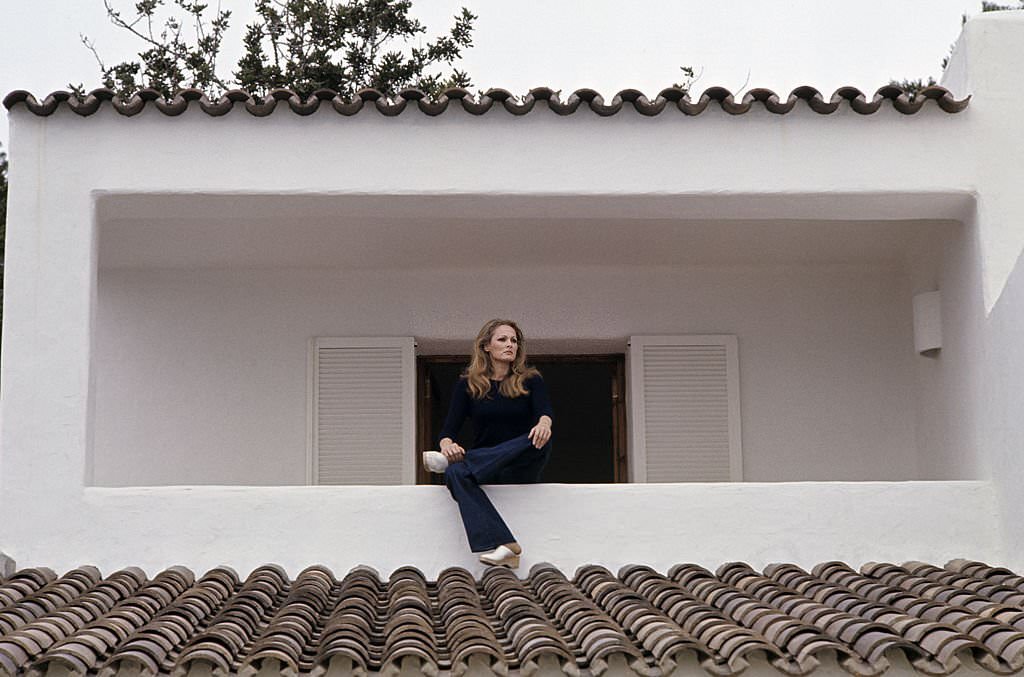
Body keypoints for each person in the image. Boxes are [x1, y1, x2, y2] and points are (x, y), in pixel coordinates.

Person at [422, 319, 553, 569]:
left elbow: (544, 412)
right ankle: (506, 545)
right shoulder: (468, 384)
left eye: (514, 340)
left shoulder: (531, 380)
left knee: (535, 439)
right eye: (502, 339)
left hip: (523, 460)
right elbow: (448, 430)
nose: (510, 345)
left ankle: (464, 461)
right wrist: (447, 445)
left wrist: (545, 424)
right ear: (486, 347)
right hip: (487, 467)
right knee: (454, 472)